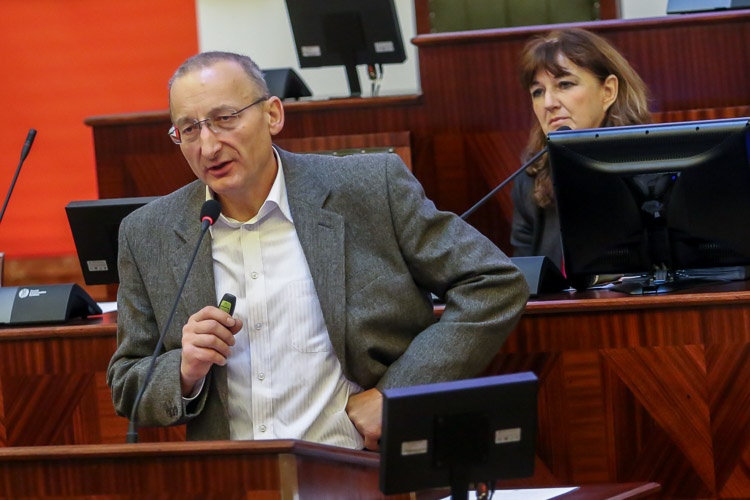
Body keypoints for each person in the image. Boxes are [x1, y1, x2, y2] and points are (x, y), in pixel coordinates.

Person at [107, 51, 529, 450]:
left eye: (225, 119)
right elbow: (127, 382)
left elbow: (493, 282)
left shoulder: (368, 189)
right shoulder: (148, 234)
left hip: (359, 468)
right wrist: (184, 370)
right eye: (189, 130)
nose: (208, 146)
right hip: (237, 479)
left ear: (272, 114)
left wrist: (398, 395)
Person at [511, 28, 651, 268]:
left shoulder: (653, 170)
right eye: (538, 92)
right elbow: (524, 278)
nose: (548, 103)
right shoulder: (531, 179)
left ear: (608, 91)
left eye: (564, 84)